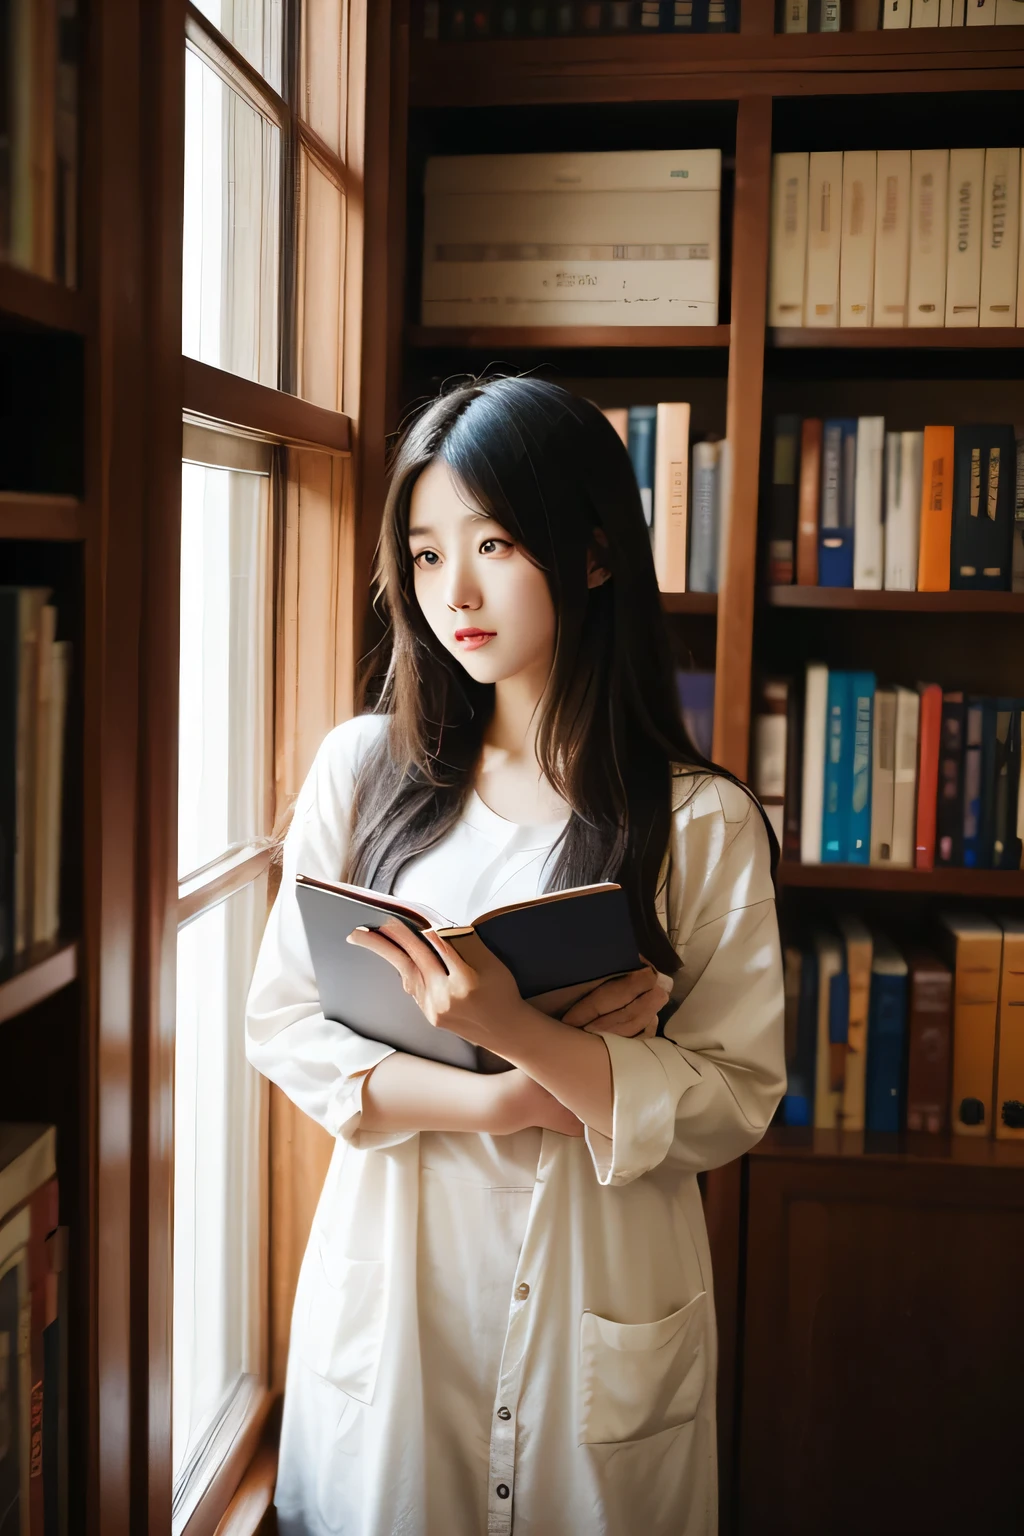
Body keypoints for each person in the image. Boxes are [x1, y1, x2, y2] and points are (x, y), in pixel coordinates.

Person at [245, 375, 786, 1536]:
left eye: (493, 543)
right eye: (428, 554)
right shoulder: (362, 772)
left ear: (592, 556)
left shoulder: (698, 823)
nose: (459, 593)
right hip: (396, 1292)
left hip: (605, 1295)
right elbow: (285, 1023)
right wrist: (506, 1100)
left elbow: (735, 1098)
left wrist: (509, 1030)